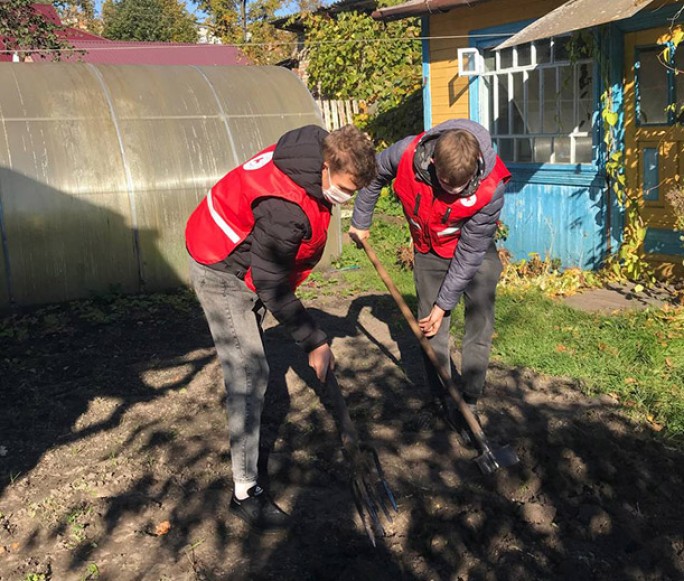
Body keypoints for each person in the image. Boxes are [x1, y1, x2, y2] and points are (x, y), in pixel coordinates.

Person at [186, 124, 377, 532]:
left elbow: (272, 275)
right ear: (326, 166)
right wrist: (313, 340)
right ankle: (244, 492)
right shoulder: (286, 208)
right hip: (221, 266)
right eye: (344, 189)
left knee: (257, 357)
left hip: (249, 253)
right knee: (250, 373)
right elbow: (269, 282)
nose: (347, 197)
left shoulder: (319, 145)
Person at [348, 119, 511, 438]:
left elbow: (469, 253)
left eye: (460, 188)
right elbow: (374, 174)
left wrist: (444, 304)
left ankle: (470, 400)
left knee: (479, 322)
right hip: (428, 250)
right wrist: (361, 219)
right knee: (430, 327)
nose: (451, 194)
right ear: (433, 160)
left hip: (472, 253)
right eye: (446, 184)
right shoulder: (405, 153)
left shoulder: (491, 189)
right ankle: (442, 401)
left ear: (476, 166)